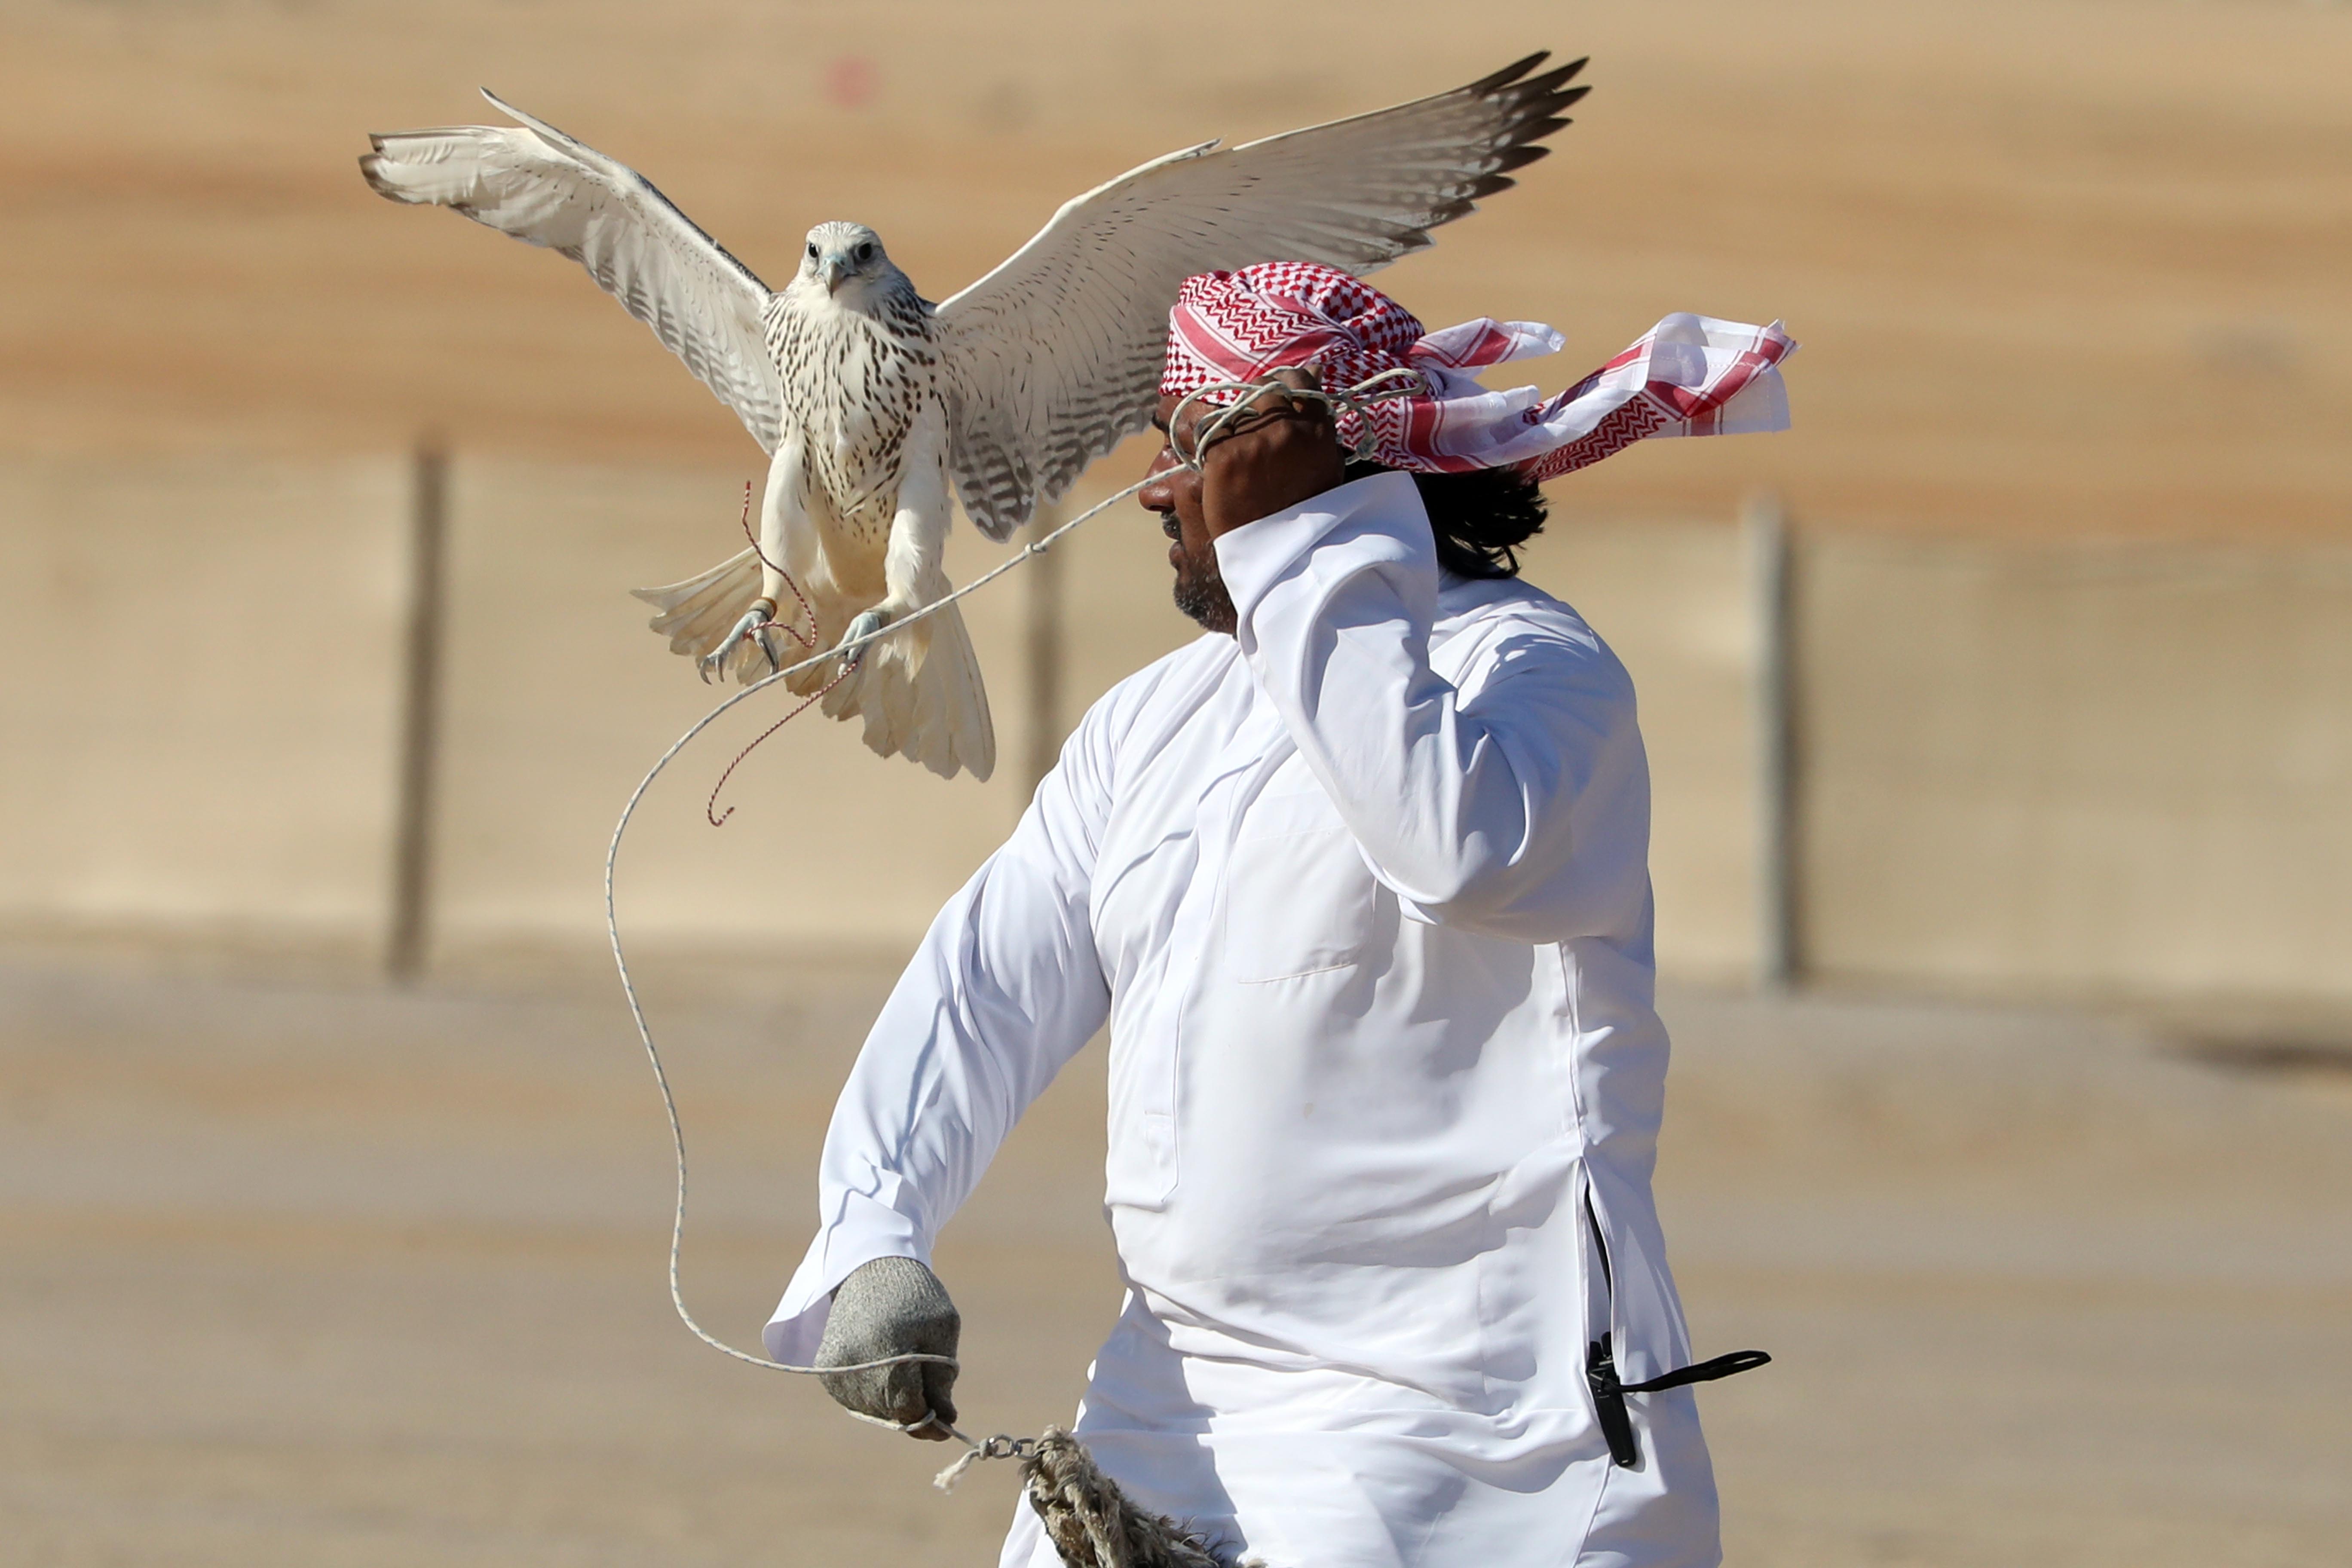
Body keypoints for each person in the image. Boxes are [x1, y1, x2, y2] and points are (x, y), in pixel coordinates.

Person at [764, 264, 1794, 1568]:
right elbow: (986, 988)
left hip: (1471, 1441)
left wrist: (1309, 548)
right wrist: (873, 1232)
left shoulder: (1537, 676)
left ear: (1311, 466)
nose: (1156, 491)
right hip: (1169, 1402)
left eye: (1195, 452)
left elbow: (1455, 845)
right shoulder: (1153, 722)